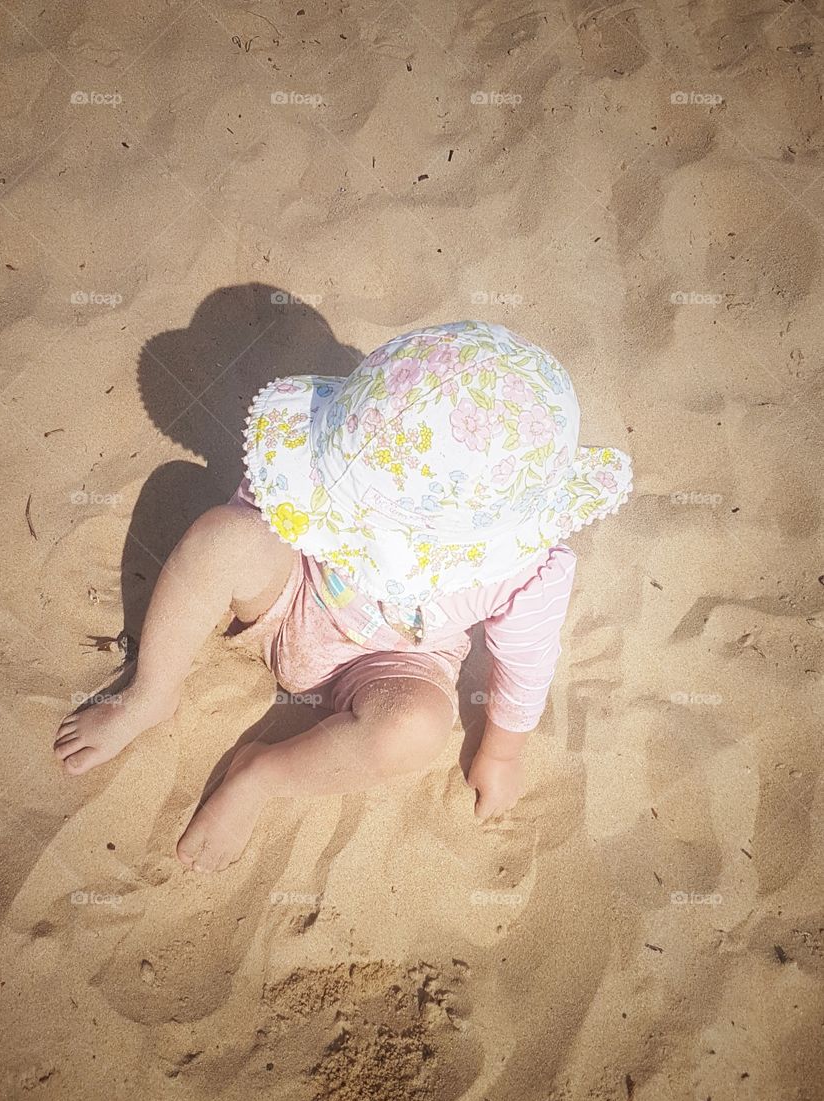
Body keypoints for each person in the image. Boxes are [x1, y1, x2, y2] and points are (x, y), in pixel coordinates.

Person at [54, 321, 632, 873]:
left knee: (416, 728)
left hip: (398, 660)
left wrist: (501, 755)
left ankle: (260, 776)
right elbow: (259, 511)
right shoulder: (342, 446)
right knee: (222, 537)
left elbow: (527, 666)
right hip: (294, 593)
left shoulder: (526, 568)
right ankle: (151, 693)